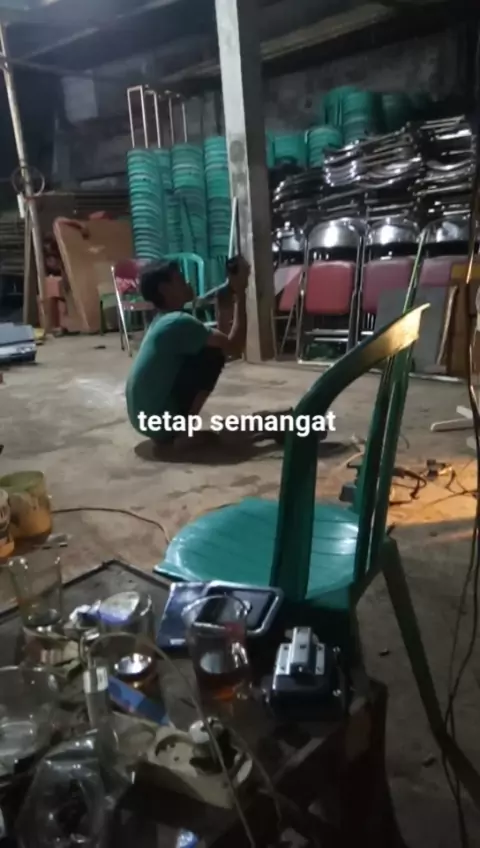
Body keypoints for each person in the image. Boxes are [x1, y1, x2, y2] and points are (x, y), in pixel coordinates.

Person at [126, 255, 249, 446]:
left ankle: (175, 430)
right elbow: (234, 347)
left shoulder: (162, 320)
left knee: (211, 350)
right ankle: (183, 434)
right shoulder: (179, 322)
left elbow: (220, 341)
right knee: (213, 357)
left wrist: (224, 304)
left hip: (144, 420)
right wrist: (241, 294)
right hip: (157, 422)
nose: (188, 282)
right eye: (180, 279)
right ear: (165, 289)